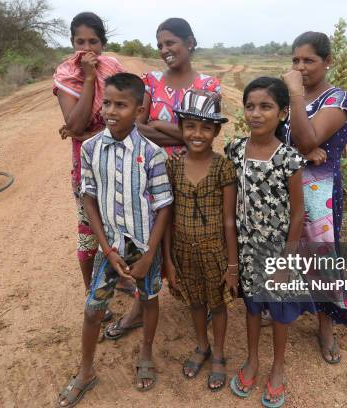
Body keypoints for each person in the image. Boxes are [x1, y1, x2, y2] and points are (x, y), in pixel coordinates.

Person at [56, 73, 172, 407]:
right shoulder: (91, 148)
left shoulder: (152, 154)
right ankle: (86, 371)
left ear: (138, 110)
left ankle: (146, 352)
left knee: (149, 299)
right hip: (111, 247)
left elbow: (163, 205)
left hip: (143, 247)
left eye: (121, 105)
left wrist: (150, 256)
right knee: (93, 309)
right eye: (107, 102)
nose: (111, 110)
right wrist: (105, 246)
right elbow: (88, 196)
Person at [105, 17, 221, 340]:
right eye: (160, 45)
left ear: (190, 42)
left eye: (170, 42)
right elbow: (135, 127)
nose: (164, 50)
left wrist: (160, 124)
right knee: (149, 239)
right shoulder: (150, 81)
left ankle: (203, 299)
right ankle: (140, 309)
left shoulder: (209, 86)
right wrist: (182, 132)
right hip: (150, 173)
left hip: (192, 176)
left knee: (192, 238)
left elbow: (201, 136)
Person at [226, 77, 309, 408]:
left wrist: (286, 262)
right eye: (250, 106)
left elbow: (299, 215)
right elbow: (230, 212)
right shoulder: (234, 150)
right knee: (252, 307)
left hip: (277, 251)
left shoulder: (289, 158)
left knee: (279, 312)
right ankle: (252, 359)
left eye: (266, 106)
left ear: (283, 113)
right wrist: (233, 263)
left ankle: (277, 367)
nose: (256, 114)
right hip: (247, 250)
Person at [281, 31, 347, 364]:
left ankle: (325, 325)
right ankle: (286, 306)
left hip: (319, 192)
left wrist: (296, 96)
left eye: (309, 60)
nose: (301, 67)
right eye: (295, 60)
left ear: (327, 62)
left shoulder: (337, 100)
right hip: (284, 184)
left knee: (321, 256)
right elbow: (276, 133)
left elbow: (305, 140)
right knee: (285, 247)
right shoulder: (288, 99)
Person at [53, 12, 135, 322]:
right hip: (87, 167)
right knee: (89, 233)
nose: (87, 49)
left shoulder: (113, 68)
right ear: (72, 42)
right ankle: (93, 296)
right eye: (80, 41)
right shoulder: (66, 74)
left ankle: (122, 277)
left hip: (120, 162)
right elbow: (75, 123)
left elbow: (131, 117)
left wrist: (90, 133)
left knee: (121, 228)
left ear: (103, 43)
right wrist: (88, 77)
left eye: (93, 41)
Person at [162, 90, 238, 391]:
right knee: (195, 303)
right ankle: (202, 345)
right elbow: (167, 218)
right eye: (191, 126)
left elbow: (230, 220)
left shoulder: (223, 168)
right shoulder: (173, 167)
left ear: (216, 131)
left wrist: (232, 265)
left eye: (206, 127)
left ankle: (218, 353)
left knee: (218, 305)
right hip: (183, 253)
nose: (197, 133)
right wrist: (168, 260)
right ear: (181, 128)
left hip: (215, 252)